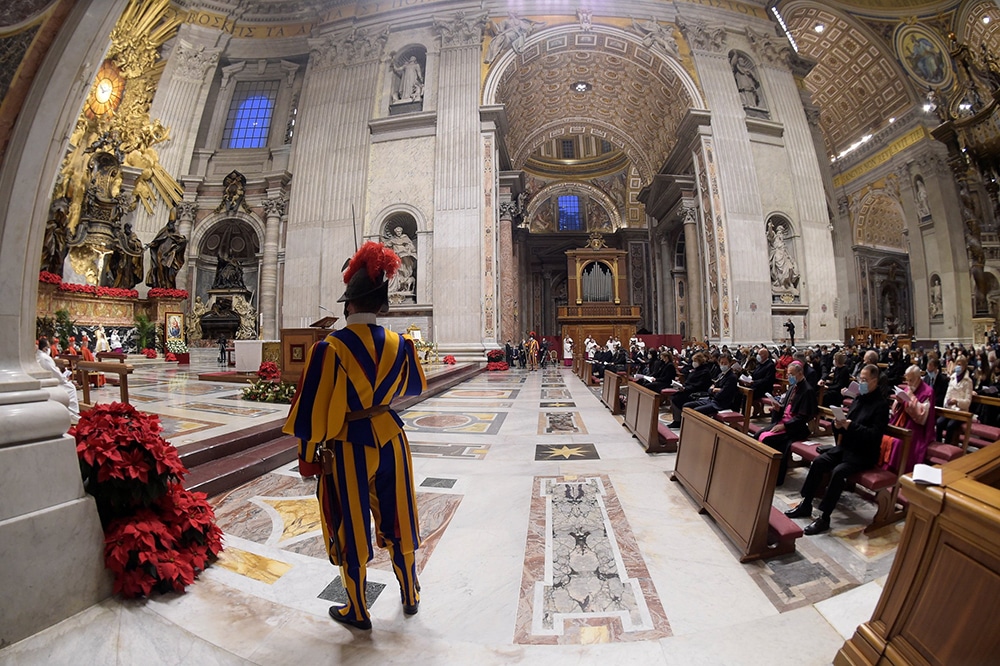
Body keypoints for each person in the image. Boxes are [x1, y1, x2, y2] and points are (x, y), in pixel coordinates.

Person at [283, 241, 426, 631]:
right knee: (399, 515)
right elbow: (413, 386)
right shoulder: (402, 345)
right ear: (381, 307)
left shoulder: (330, 348)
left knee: (348, 521)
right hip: (391, 437)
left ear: (348, 305)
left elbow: (312, 410)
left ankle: (358, 610)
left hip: (348, 443)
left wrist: (309, 456)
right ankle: (410, 593)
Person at [785, 364, 890, 535]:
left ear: (875, 381)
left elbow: (874, 435)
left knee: (838, 472)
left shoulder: (881, 405)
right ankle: (806, 503)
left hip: (863, 454)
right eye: (859, 379)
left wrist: (851, 426)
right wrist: (838, 425)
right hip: (846, 448)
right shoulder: (858, 399)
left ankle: (824, 517)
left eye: (864, 380)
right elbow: (846, 425)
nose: (860, 383)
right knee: (819, 462)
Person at [756, 362, 816, 486]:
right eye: (788, 374)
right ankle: (760, 470)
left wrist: (784, 426)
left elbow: (803, 416)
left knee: (768, 439)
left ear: (800, 373)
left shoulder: (808, 390)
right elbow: (787, 408)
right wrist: (779, 409)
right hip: (784, 422)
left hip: (795, 428)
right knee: (758, 434)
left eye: (792, 374)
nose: (789, 377)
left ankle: (772, 475)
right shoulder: (793, 387)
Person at [882, 365, 935, 474]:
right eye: (907, 380)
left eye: (911, 380)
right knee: (884, 436)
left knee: (898, 442)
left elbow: (922, 417)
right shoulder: (908, 388)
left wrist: (908, 400)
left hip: (915, 427)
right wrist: (898, 402)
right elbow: (896, 409)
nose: (909, 383)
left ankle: (896, 471)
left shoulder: (928, 391)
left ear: (918, 377)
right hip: (901, 421)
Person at [35, 337, 79, 423]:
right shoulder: (45, 358)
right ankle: (72, 414)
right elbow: (56, 374)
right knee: (70, 387)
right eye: (48, 347)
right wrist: (65, 379)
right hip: (49, 383)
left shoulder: (37, 355)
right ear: (45, 348)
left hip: (43, 381)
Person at [668, 351, 712, 427]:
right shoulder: (695, 370)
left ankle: (679, 421)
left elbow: (699, 385)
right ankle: (677, 419)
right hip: (689, 390)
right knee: (673, 395)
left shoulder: (705, 372)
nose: (693, 363)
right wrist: (681, 386)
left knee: (677, 398)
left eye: (695, 361)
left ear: (700, 361)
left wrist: (685, 388)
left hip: (697, 392)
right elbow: (689, 381)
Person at [936, 356, 973, 443]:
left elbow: (967, 402)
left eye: (960, 365)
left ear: (964, 366)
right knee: (939, 422)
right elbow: (947, 394)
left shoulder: (968, 381)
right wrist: (947, 403)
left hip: (961, 412)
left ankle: (948, 446)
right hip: (950, 410)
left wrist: (957, 402)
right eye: (957, 364)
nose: (958, 367)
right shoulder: (952, 378)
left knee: (950, 425)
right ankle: (938, 443)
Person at [145, 218, 188, 289]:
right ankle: (160, 285)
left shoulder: (176, 234)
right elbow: (156, 241)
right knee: (159, 269)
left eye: (173, 224)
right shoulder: (163, 232)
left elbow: (182, 242)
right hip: (161, 254)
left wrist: (176, 248)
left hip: (169, 256)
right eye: (171, 224)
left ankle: (168, 286)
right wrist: (150, 245)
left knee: (170, 273)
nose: (172, 226)